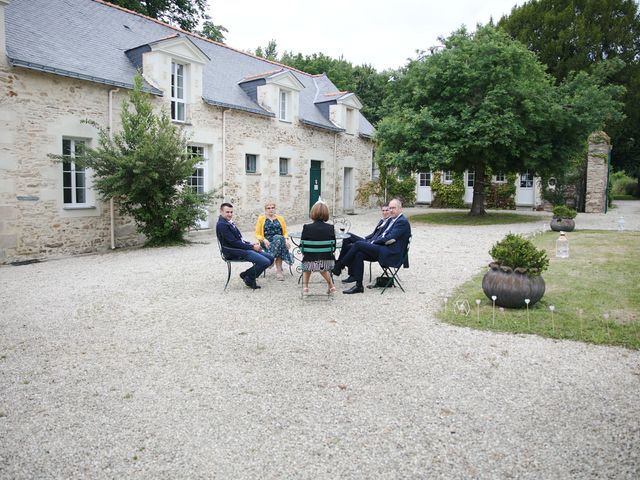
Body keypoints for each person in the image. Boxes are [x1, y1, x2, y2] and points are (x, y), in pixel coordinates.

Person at [332, 198, 411, 294]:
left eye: (393, 208)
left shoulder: (402, 221)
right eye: (390, 208)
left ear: (400, 209)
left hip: (390, 253)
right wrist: (371, 241)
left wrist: (373, 242)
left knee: (358, 244)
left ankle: (339, 266)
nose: (390, 210)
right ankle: (359, 286)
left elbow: (390, 238)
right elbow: (382, 234)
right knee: (359, 253)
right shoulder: (393, 220)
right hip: (382, 248)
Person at [216, 202, 274, 290]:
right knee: (265, 262)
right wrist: (252, 247)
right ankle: (249, 278)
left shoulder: (227, 222)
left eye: (231, 212)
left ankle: (245, 274)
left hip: (240, 249)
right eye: (227, 212)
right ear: (221, 211)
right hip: (232, 252)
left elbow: (239, 240)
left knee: (270, 258)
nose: (230, 214)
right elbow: (233, 243)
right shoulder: (222, 224)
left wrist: (250, 244)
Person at [336, 203, 391, 283]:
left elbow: (383, 237)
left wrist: (370, 241)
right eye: (383, 210)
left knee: (351, 241)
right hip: (369, 241)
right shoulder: (382, 220)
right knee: (348, 238)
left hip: (374, 245)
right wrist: (365, 238)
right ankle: (349, 272)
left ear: (390, 211)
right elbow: (374, 234)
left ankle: (339, 265)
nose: (384, 212)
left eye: (387, 210)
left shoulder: (390, 222)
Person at [301, 201, 337, 295]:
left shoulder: (307, 227)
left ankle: (305, 288)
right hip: (328, 262)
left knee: (308, 262)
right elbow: (333, 247)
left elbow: (302, 247)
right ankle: (331, 286)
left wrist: (308, 253)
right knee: (320, 263)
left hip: (309, 262)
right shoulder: (330, 227)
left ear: (312, 213)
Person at [255, 202, 293, 281]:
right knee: (280, 243)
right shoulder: (261, 219)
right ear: (265, 210)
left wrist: (286, 240)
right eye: (268, 208)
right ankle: (279, 272)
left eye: (272, 208)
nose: (271, 209)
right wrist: (264, 239)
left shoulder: (280, 218)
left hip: (279, 240)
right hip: (266, 242)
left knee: (278, 239)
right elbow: (257, 234)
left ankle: (271, 259)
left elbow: (285, 232)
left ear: (275, 209)